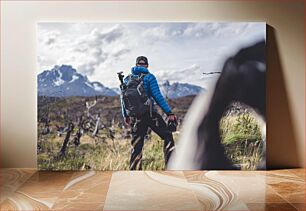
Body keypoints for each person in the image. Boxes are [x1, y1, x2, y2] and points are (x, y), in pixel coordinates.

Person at [121, 56, 177, 170]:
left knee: (136, 146)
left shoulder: (127, 79)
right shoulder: (149, 77)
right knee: (167, 136)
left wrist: (126, 115)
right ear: (146, 65)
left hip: (136, 117)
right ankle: (171, 167)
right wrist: (169, 113)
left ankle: (135, 173)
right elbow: (157, 96)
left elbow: (122, 98)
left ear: (136, 65)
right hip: (150, 115)